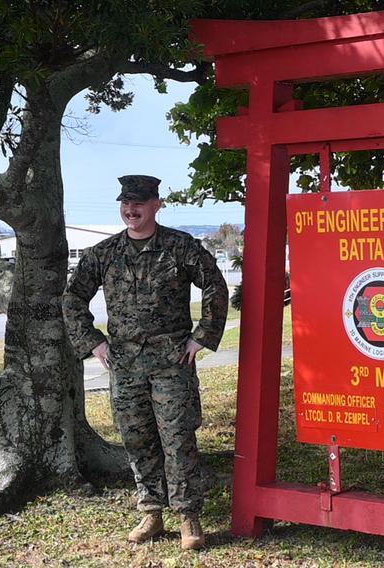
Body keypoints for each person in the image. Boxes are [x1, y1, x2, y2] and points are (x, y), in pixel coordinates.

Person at [62, 175, 228, 550]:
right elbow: (72, 299)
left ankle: (189, 517)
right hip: (124, 364)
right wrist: (94, 344)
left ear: (157, 205)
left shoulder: (179, 247)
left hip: (171, 362)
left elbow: (216, 285)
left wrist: (201, 337)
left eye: (138, 203)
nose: (130, 210)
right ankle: (152, 513)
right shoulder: (103, 253)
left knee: (178, 438)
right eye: (125, 203)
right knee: (137, 440)